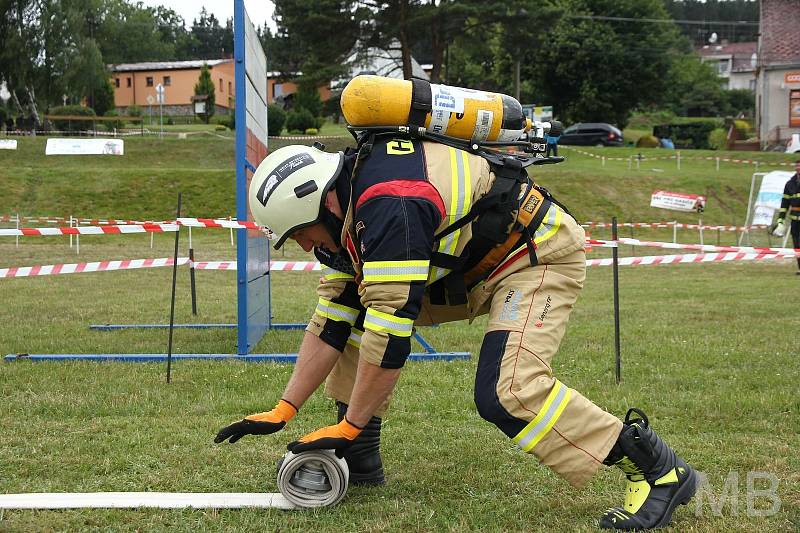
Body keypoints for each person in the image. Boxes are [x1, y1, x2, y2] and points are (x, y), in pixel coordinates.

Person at [215, 138, 698, 529]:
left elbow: (389, 336)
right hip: (468, 267)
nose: (302, 246)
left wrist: (349, 422)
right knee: (356, 313)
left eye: (300, 233)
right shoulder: (351, 206)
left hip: (532, 257)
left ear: (324, 202)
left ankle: (658, 470)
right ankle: (359, 459)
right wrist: (285, 408)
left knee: (507, 393)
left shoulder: (390, 206)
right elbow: (332, 319)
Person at [771, 160, 800, 274]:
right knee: (797, 245)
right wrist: (780, 220)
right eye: (797, 166)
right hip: (795, 221)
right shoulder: (790, 184)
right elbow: (784, 204)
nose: (798, 168)